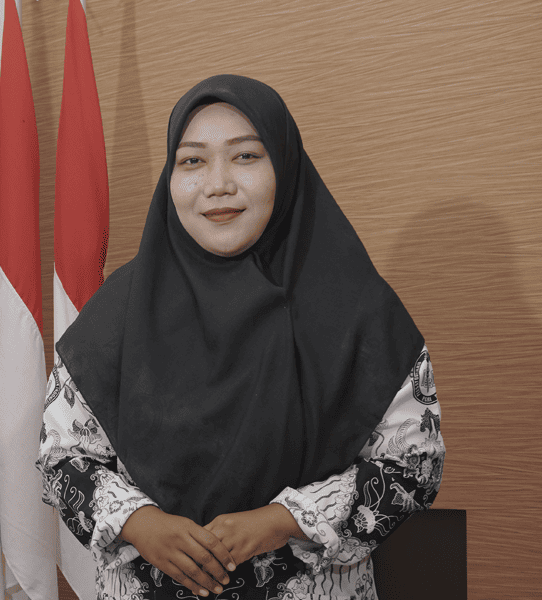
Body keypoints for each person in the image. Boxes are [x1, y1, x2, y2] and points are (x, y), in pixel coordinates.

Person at [37, 74, 445, 600]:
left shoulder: (359, 309)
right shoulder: (119, 309)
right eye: (192, 161)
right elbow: (61, 458)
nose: (218, 184)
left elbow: (414, 465)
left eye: (246, 156)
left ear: (285, 166)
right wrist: (138, 522)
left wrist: (282, 520)